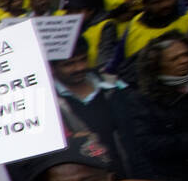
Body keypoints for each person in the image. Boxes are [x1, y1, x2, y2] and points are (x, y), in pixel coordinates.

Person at [120, 33, 188, 181]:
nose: (184, 61)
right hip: (172, 180)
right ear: (157, 65)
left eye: (186, 54)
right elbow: (147, 143)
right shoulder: (142, 99)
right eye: (174, 59)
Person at [51, 34, 130, 172]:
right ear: (52, 68)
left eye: (83, 60)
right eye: (69, 64)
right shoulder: (49, 103)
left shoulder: (113, 87)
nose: (79, 68)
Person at [108, 0, 188, 83]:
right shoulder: (135, 24)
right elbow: (118, 63)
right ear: (146, 5)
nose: (165, 5)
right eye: (157, 2)